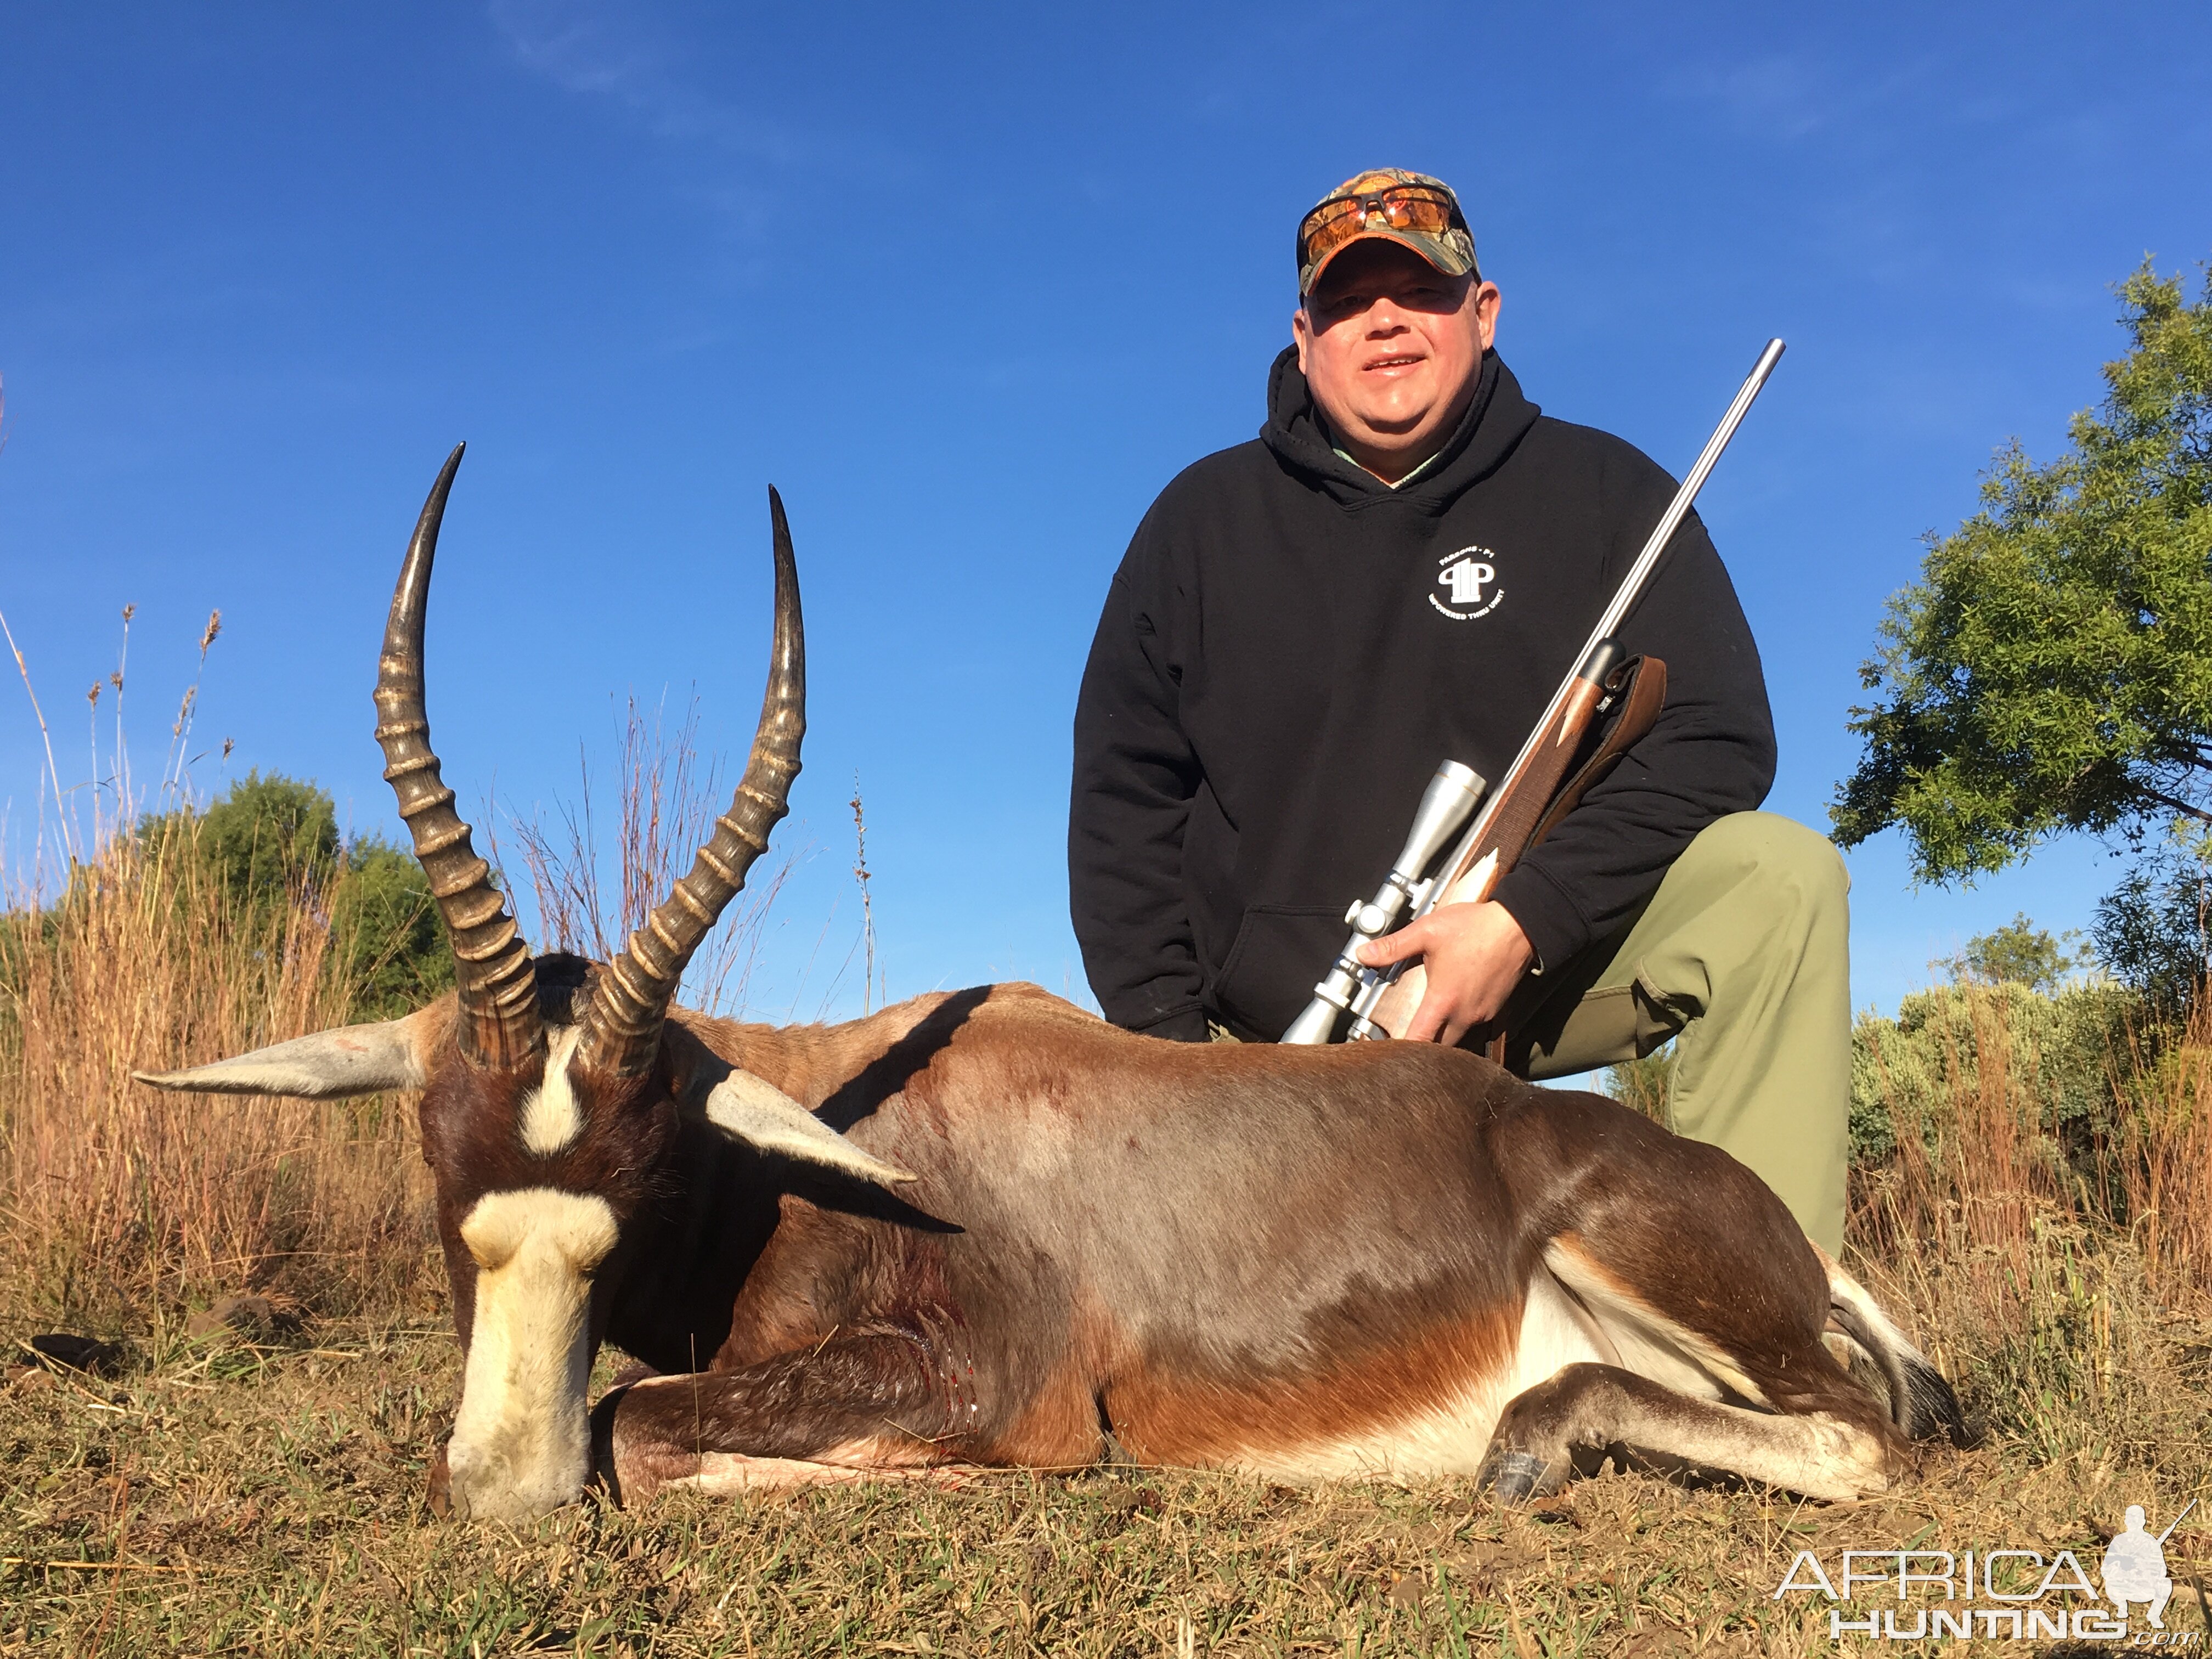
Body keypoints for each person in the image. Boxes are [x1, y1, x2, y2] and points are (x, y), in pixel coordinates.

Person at [1068, 168, 1853, 1251]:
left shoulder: (1608, 491)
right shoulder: (1199, 523)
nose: (1383, 321)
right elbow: (1123, 812)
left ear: (1481, 313)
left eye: (1421, 291)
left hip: (1520, 991)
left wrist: (1522, 923)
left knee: (1781, 882)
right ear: (1305, 338)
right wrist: (1181, 1081)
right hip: (1269, 1046)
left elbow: (1721, 735)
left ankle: (1754, 1345)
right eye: (1348, 302)